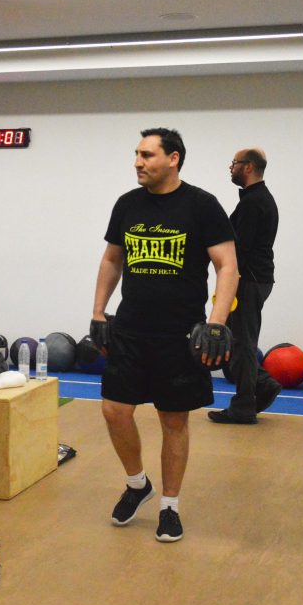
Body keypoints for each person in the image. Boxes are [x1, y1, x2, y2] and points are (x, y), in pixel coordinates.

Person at [90, 127, 238, 543]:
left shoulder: (202, 205)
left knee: (173, 420)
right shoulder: (127, 205)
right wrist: (99, 310)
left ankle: (169, 506)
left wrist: (217, 320)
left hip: (179, 334)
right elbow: (112, 259)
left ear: (173, 159)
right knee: (114, 411)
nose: (138, 162)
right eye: (136, 154)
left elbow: (227, 265)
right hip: (131, 329)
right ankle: (138, 484)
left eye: (148, 155)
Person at [209, 148, 282, 425]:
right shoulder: (255, 200)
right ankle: (260, 385)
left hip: (248, 281)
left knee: (241, 343)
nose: (231, 168)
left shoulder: (254, 203)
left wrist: (227, 285)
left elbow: (239, 249)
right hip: (254, 279)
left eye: (235, 163)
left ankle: (244, 405)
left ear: (248, 167)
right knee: (239, 342)